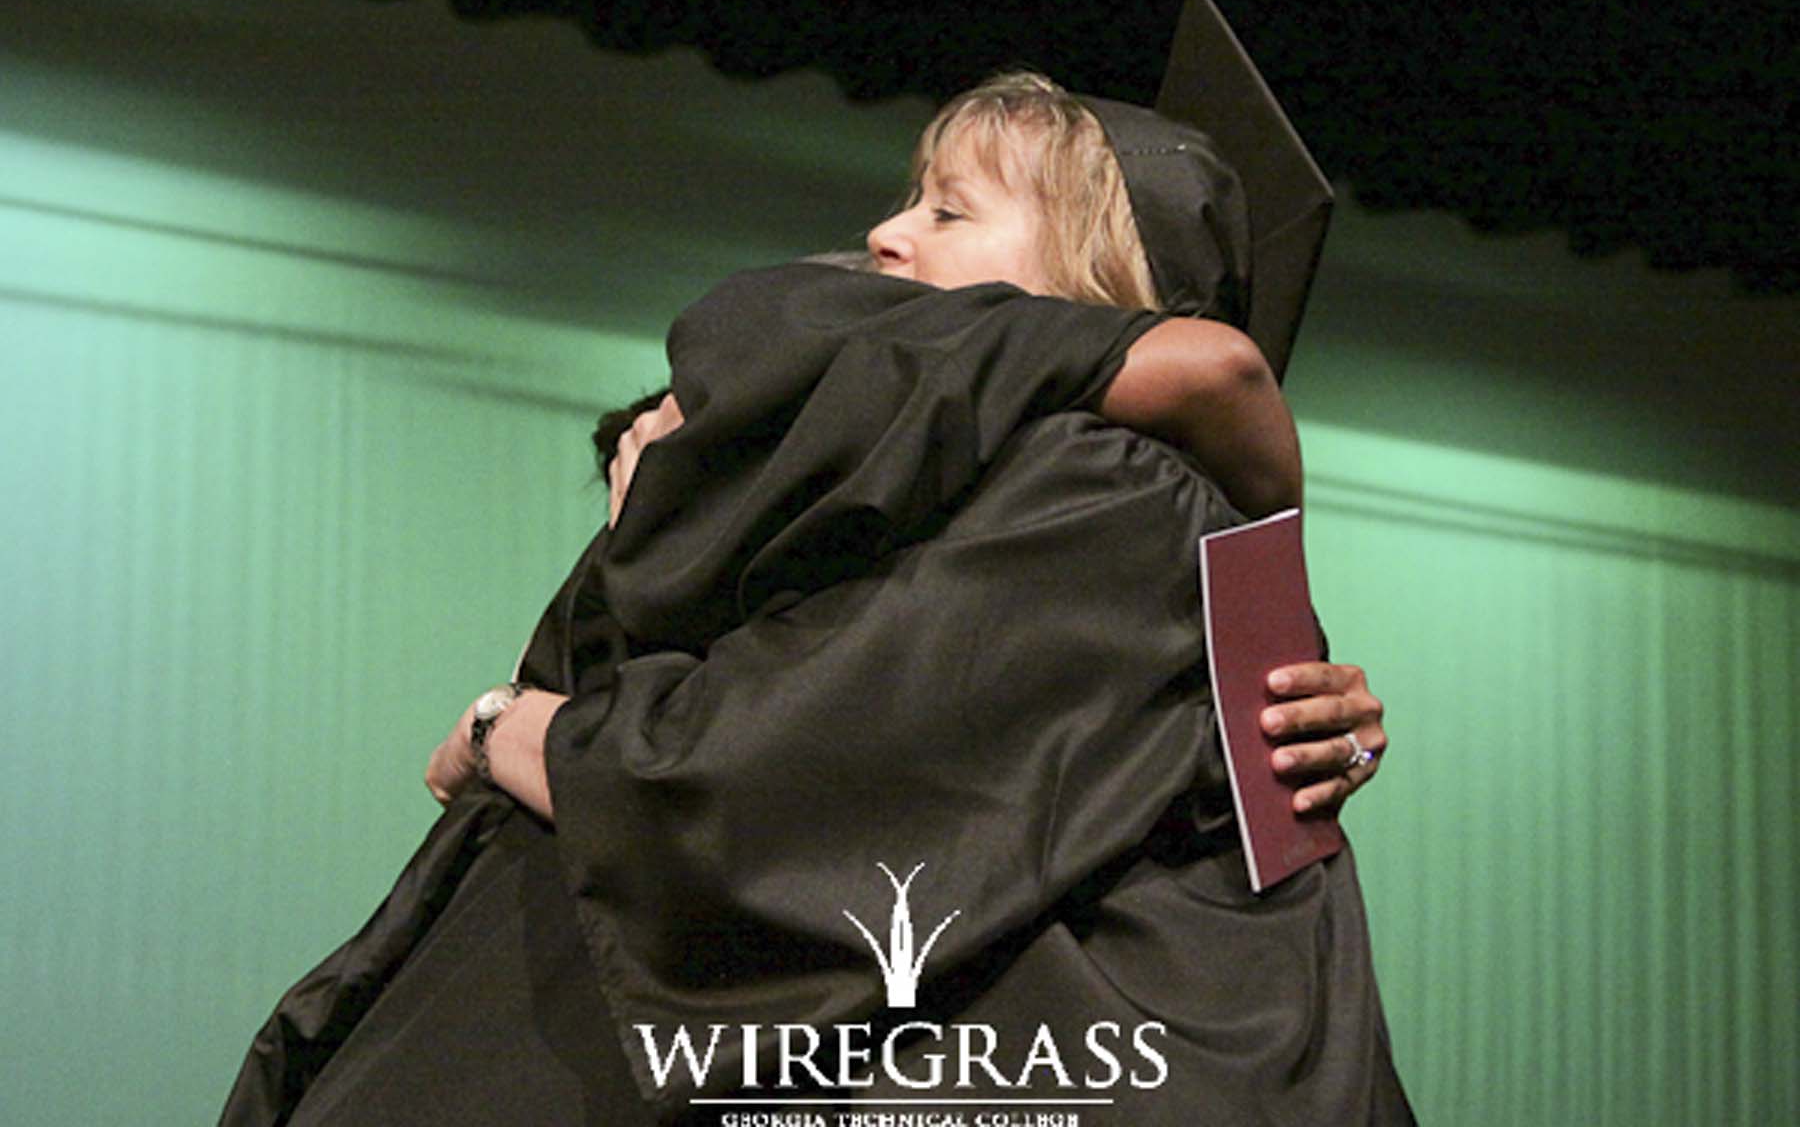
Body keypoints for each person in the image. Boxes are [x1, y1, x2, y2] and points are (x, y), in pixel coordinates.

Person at [222, 72, 1410, 1125]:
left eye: (951, 212)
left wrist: (508, 727)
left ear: (1098, 273)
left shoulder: (1109, 488)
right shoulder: (911, 492)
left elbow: (756, 789)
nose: (887, 235)